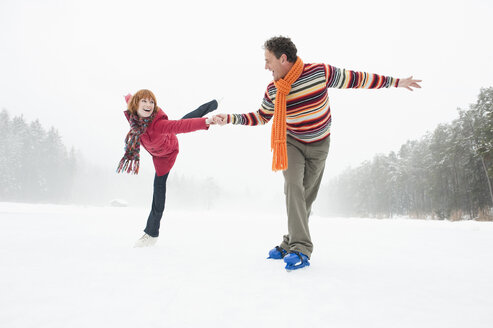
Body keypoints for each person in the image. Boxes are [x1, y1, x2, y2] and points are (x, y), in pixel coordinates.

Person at [213, 36, 421, 270]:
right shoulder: (273, 89)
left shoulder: (319, 73)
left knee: (305, 198)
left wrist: (396, 82)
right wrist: (229, 118)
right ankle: (301, 248)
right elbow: (261, 116)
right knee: (293, 186)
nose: (266, 67)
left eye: (268, 60)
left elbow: (357, 79)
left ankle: (289, 240)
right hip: (291, 143)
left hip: (320, 144)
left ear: (283, 58)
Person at [117, 89, 218, 247]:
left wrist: (206, 122)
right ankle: (212, 105)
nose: (148, 104)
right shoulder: (135, 119)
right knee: (183, 121)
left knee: (158, 189)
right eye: (144, 101)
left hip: (167, 154)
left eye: (151, 102)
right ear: (135, 105)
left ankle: (151, 234)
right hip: (156, 151)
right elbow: (129, 97)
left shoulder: (158, 125)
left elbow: (182, 126)